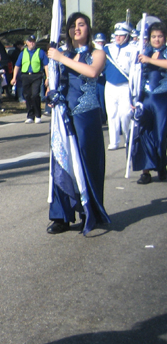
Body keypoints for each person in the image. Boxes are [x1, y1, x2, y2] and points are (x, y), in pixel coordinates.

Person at [46, 12, 110, 234]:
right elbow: (53, 80)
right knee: (62, 163)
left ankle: (88, 212)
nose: (76, 29)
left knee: (86, 164)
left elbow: (92, 72)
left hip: (86, 118)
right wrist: (50, 90)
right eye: (72, 26)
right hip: (64, 116)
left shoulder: (97, 53)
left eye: (81, 25)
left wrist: (61, 59)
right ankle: (61, 216)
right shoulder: (62, 53)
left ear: (88, 28)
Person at [131, 21, 167, 184]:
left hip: (162, 100)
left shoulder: (165, 52)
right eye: (154, 36)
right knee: (143, 134)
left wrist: (149, 61)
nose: (157, 40)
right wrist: (133, 98)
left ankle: (161, 167)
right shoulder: (144, 52)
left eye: (160, 36)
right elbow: (134, 76)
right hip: (145, 99)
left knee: (160, 135)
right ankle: (145, 171)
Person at [103, 23, 137, 150]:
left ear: (127, 36)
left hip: (125, 86)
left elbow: (134, 70)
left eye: (121, 35)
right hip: (110, 85)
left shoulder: (133, 49)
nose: (118, 38)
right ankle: (114, 141)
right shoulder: (108, 49)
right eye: (116, 35)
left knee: (125, 114)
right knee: (111, 114)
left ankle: (128, 138)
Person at [10, 35, 48, 123]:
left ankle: (38, 115)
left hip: (36, 75)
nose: (32, 43)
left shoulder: (40, 52)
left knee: (35, 95)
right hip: (25, 76)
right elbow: (17, 66)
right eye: (30, 41)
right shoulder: (23, 53)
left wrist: (48, 77)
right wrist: (14, 77)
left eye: (33, 41)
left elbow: (46, 65)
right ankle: (30, 115)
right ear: (26, 43)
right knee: (27, 95)